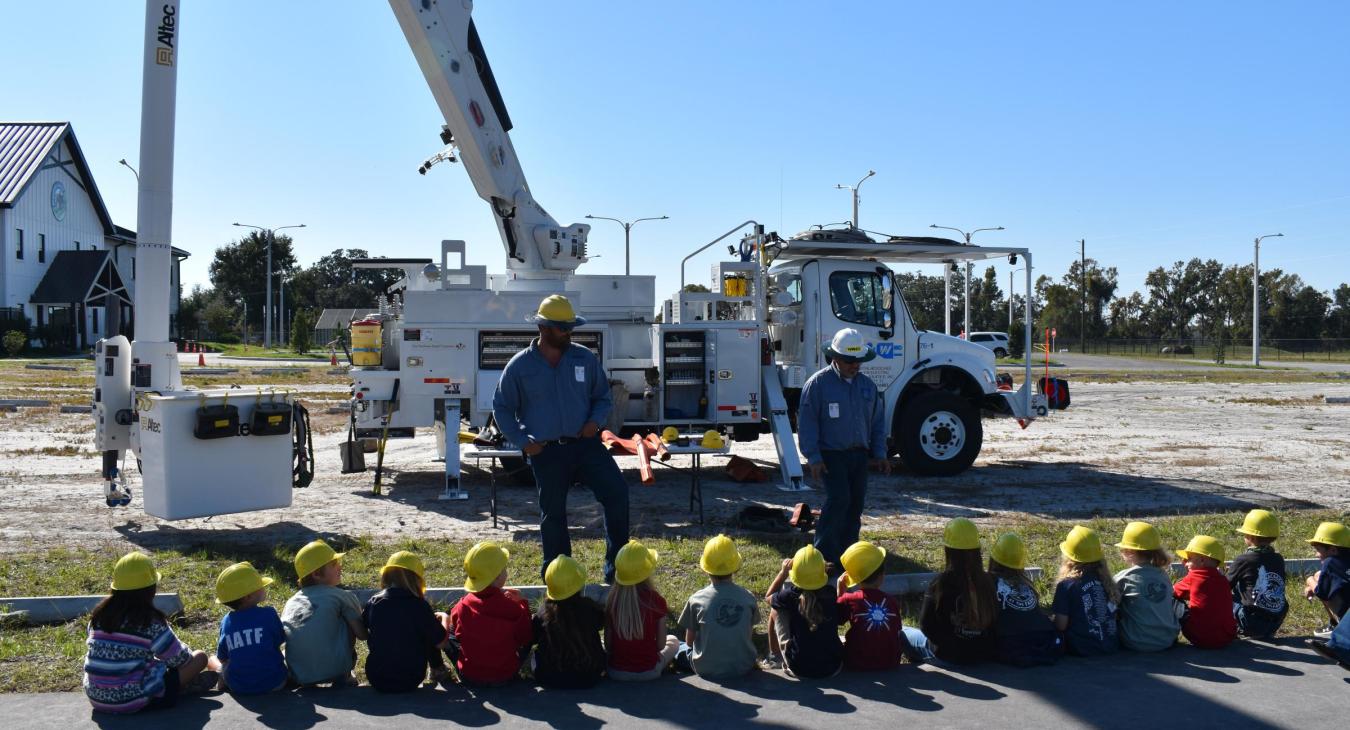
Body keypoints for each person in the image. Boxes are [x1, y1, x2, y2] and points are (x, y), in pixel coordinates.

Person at [493, 294, 630, 584]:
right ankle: (559, 576)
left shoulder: (584, 358)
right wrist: (523, 441)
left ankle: (618, 572)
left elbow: (602, 397)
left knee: (617, 494)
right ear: (543, 328)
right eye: (562, 328)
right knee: (553, 514)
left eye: (571, 328)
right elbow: (502, 408)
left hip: (587, 446)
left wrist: (595, 421)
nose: (569, 333)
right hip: (547, 452)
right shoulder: (520, 367)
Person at [796, 328, 890, 567]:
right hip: (831, 455)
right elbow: (807, 423)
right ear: (835, 358)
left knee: (855, 502)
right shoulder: (817, 385)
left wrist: (879, 454)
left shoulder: (868, 387)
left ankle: (850, 553)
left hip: (859, 455)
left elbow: (878, 423)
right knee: (839, 498)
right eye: (850, 360)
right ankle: (825, 554)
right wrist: (813, 457)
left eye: (858, 360)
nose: (855, 365)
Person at [84, 553, 218, 713]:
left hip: (97, 698)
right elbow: (180, 659)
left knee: (150, 664)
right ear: (151, 590)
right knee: (200, 657)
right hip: (132, 700)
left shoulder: (99, 617)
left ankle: (182, 685)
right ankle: (186, 685)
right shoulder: (149, 621)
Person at [362, 551, 455, 692]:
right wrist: (445, 619)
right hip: (410, 678)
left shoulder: (374, 602)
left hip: (376, 677)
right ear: (416, 580)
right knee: (429, 627)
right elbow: (441, 641)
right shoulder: (419, 605)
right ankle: (438, 670)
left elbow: (362, 631)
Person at [282, 540, 368, 687]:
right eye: (334, 564)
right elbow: (362, 635)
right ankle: (345, 676)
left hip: (299, 674)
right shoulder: (342, 596)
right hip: (336, 671)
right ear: (316, 574)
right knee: (347, 617)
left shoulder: (291, 602)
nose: (340, 567)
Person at [675, 535, 760, 680]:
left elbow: (690, 642)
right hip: (743, 665)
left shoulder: (696, 599)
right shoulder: (748, 598)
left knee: (677, 645)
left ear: (705, 568)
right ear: (736, 568)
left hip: (704, 668)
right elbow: (747, 634)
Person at [450, 542, 534, 686]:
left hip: (470, 676)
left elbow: (458, 633)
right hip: (505, 675)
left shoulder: (462, 605)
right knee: (529, 633)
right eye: (504, 568)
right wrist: (522, 604)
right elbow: (525, 637)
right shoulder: (513, 608)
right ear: (496, 577)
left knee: (451, 632)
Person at [836, 540, 927, 670]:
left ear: (854, 578)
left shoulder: (849, 599)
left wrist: (840, 594)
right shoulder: (891, 601)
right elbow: (896, 631)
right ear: (882, 575)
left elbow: (836, 618)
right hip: (889, 663)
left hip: (856, 663)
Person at [919, 518, 998, 664]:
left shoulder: (940, 583)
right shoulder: (988, 582)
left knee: (906, 633)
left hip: (948, 656)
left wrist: (947, 647)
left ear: (948, 550)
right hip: (982, 654)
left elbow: (925, 625)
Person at [605, 540, 680, 681]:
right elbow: (660, 645)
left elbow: (608, 646)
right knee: (674, 640)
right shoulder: (656, 601)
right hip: (649, 671)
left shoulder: (612, 601)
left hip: (616, 672)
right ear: (646, 572)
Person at [765, 545, 843, 679]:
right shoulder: (830, 593)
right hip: (832, 667)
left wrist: (783, 573)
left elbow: (768, 597)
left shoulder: (788, 595)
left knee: (775, 608)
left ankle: (774, 657)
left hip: (799, 667)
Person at [530, 555, 607, 689]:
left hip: (549, 677)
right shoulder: (590, 607)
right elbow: (601, 622)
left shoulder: (543, 611)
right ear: (578, 585)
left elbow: (534, 637)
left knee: (536, 655)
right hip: (590, 676)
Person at [988, 533, 1063, 666]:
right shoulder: (1027, 584)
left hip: (1012, 642)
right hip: (1043, 639)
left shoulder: (988, 583)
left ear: (993, 559)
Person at [214, 562, 288, 694]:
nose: (264, 588)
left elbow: (222, 657)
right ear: (248, 597)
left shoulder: (226, 621)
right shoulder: (269, 614)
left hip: (239, 687)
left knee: (213, 660)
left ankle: (220, 679)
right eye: (260, 586)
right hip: (276, 682)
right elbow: (279, 640)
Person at [1052, 525, 1120, 656]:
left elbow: (1061, 625)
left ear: (1069, 557)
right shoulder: (1107, 582)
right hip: (1110, 645)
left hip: (1081, 648)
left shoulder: (1066, 585)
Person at [1113, 521, 1180, 652]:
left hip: (1136, 641)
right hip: (1167, 639)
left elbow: (1108, 603)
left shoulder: (1123, 578)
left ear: (1128, 551)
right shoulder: (1163, 575)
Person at [1228, 509, 1288, 639]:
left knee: (1228, 595)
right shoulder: (1278, 558)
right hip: (1276, 620)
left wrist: (1223, 574)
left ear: (1251, 537)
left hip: (1250, 621)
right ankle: (1266, 631)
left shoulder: (1243, 560)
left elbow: (1224, 586)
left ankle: (1238, 629)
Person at [1174, 535, 1237, 649]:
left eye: (1188, 559)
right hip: (1226, 637)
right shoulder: (1223, 580)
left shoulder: (1194, 576)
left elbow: (1172, 592)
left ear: (1202, 560)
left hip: (1200, 637)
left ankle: (1168, 634)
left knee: (1174, 602)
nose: (1184, 563)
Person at [1304, 521, 1350, 637]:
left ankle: (1339, 626)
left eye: (1318, 549)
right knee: (1321, 575)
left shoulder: (1330, 562)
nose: (1316, 554)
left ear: (1333, 550)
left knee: (1317, 577)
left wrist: (1309, 580)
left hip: (1347, 618)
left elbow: (1322, 593)